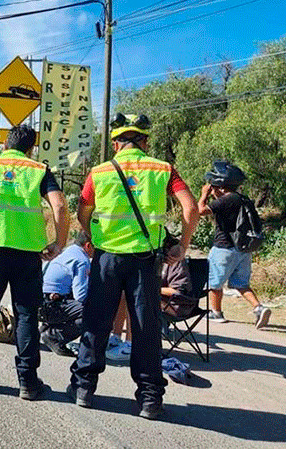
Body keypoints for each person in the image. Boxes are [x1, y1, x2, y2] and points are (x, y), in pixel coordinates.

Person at [69, 113, 198, 420]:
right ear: (145, 141)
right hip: (146, 262)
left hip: (108, 259)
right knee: (146, 328)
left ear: (115, 144)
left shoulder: (99, 172)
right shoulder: (162, 169)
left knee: (97, 322)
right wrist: (183, 244)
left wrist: (91, 236)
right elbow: (191, 208)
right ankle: (150, 399)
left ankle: (84, 388)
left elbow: (82, 211)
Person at [0, 124, 69, 400]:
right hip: (28, 254)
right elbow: (61, 206)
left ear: (5, 145)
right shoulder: (39, 170)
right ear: (31, 148)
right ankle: (28, 383)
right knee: (27, 315)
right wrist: (58, 243)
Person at [197, 161, 271, 328]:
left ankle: (216, 313)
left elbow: (200, 211)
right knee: (241, 284)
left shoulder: (226, 200)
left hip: (223, 249)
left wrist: (204, 195)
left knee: (213, 283)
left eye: (214, 186)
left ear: (222, 186)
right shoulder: (243, 199)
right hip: (243, 249)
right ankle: (259, 308)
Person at [40, 231, 94, 357]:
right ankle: (55, 336)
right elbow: (80, 295)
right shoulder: (82, 260)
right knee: (94, 311)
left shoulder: (67, 251)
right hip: (50, 305)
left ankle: (47, 329)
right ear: (88, 246)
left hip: (39, 300)